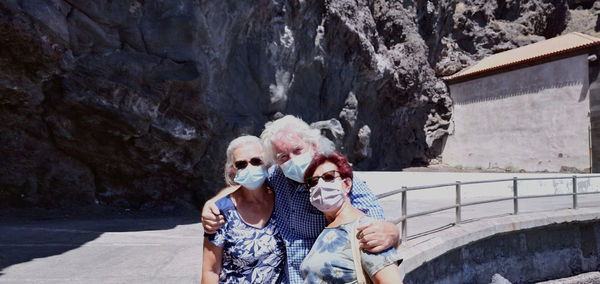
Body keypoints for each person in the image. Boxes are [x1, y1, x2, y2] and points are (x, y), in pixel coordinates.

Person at [202, 115, 399, 283]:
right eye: (283, 156)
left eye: (297, 151)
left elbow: (375, 228)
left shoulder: (332, 177)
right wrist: (212, 204)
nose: (292, 160)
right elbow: (247, 184)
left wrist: (392, 232)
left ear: (312, 145)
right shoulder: (278, 177)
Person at [300, 152, 402, 283]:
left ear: (347, 184)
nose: (320, 185)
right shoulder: (327, 230)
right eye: (313, 182)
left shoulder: (366, 229)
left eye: (328, 177)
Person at [202, 136, 285, 284]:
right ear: (232, 171)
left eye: (256, 161)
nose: (250, 167)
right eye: (241, 164)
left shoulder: (282, 200)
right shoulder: (221, 212)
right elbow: (210, 270)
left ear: (266, 162)